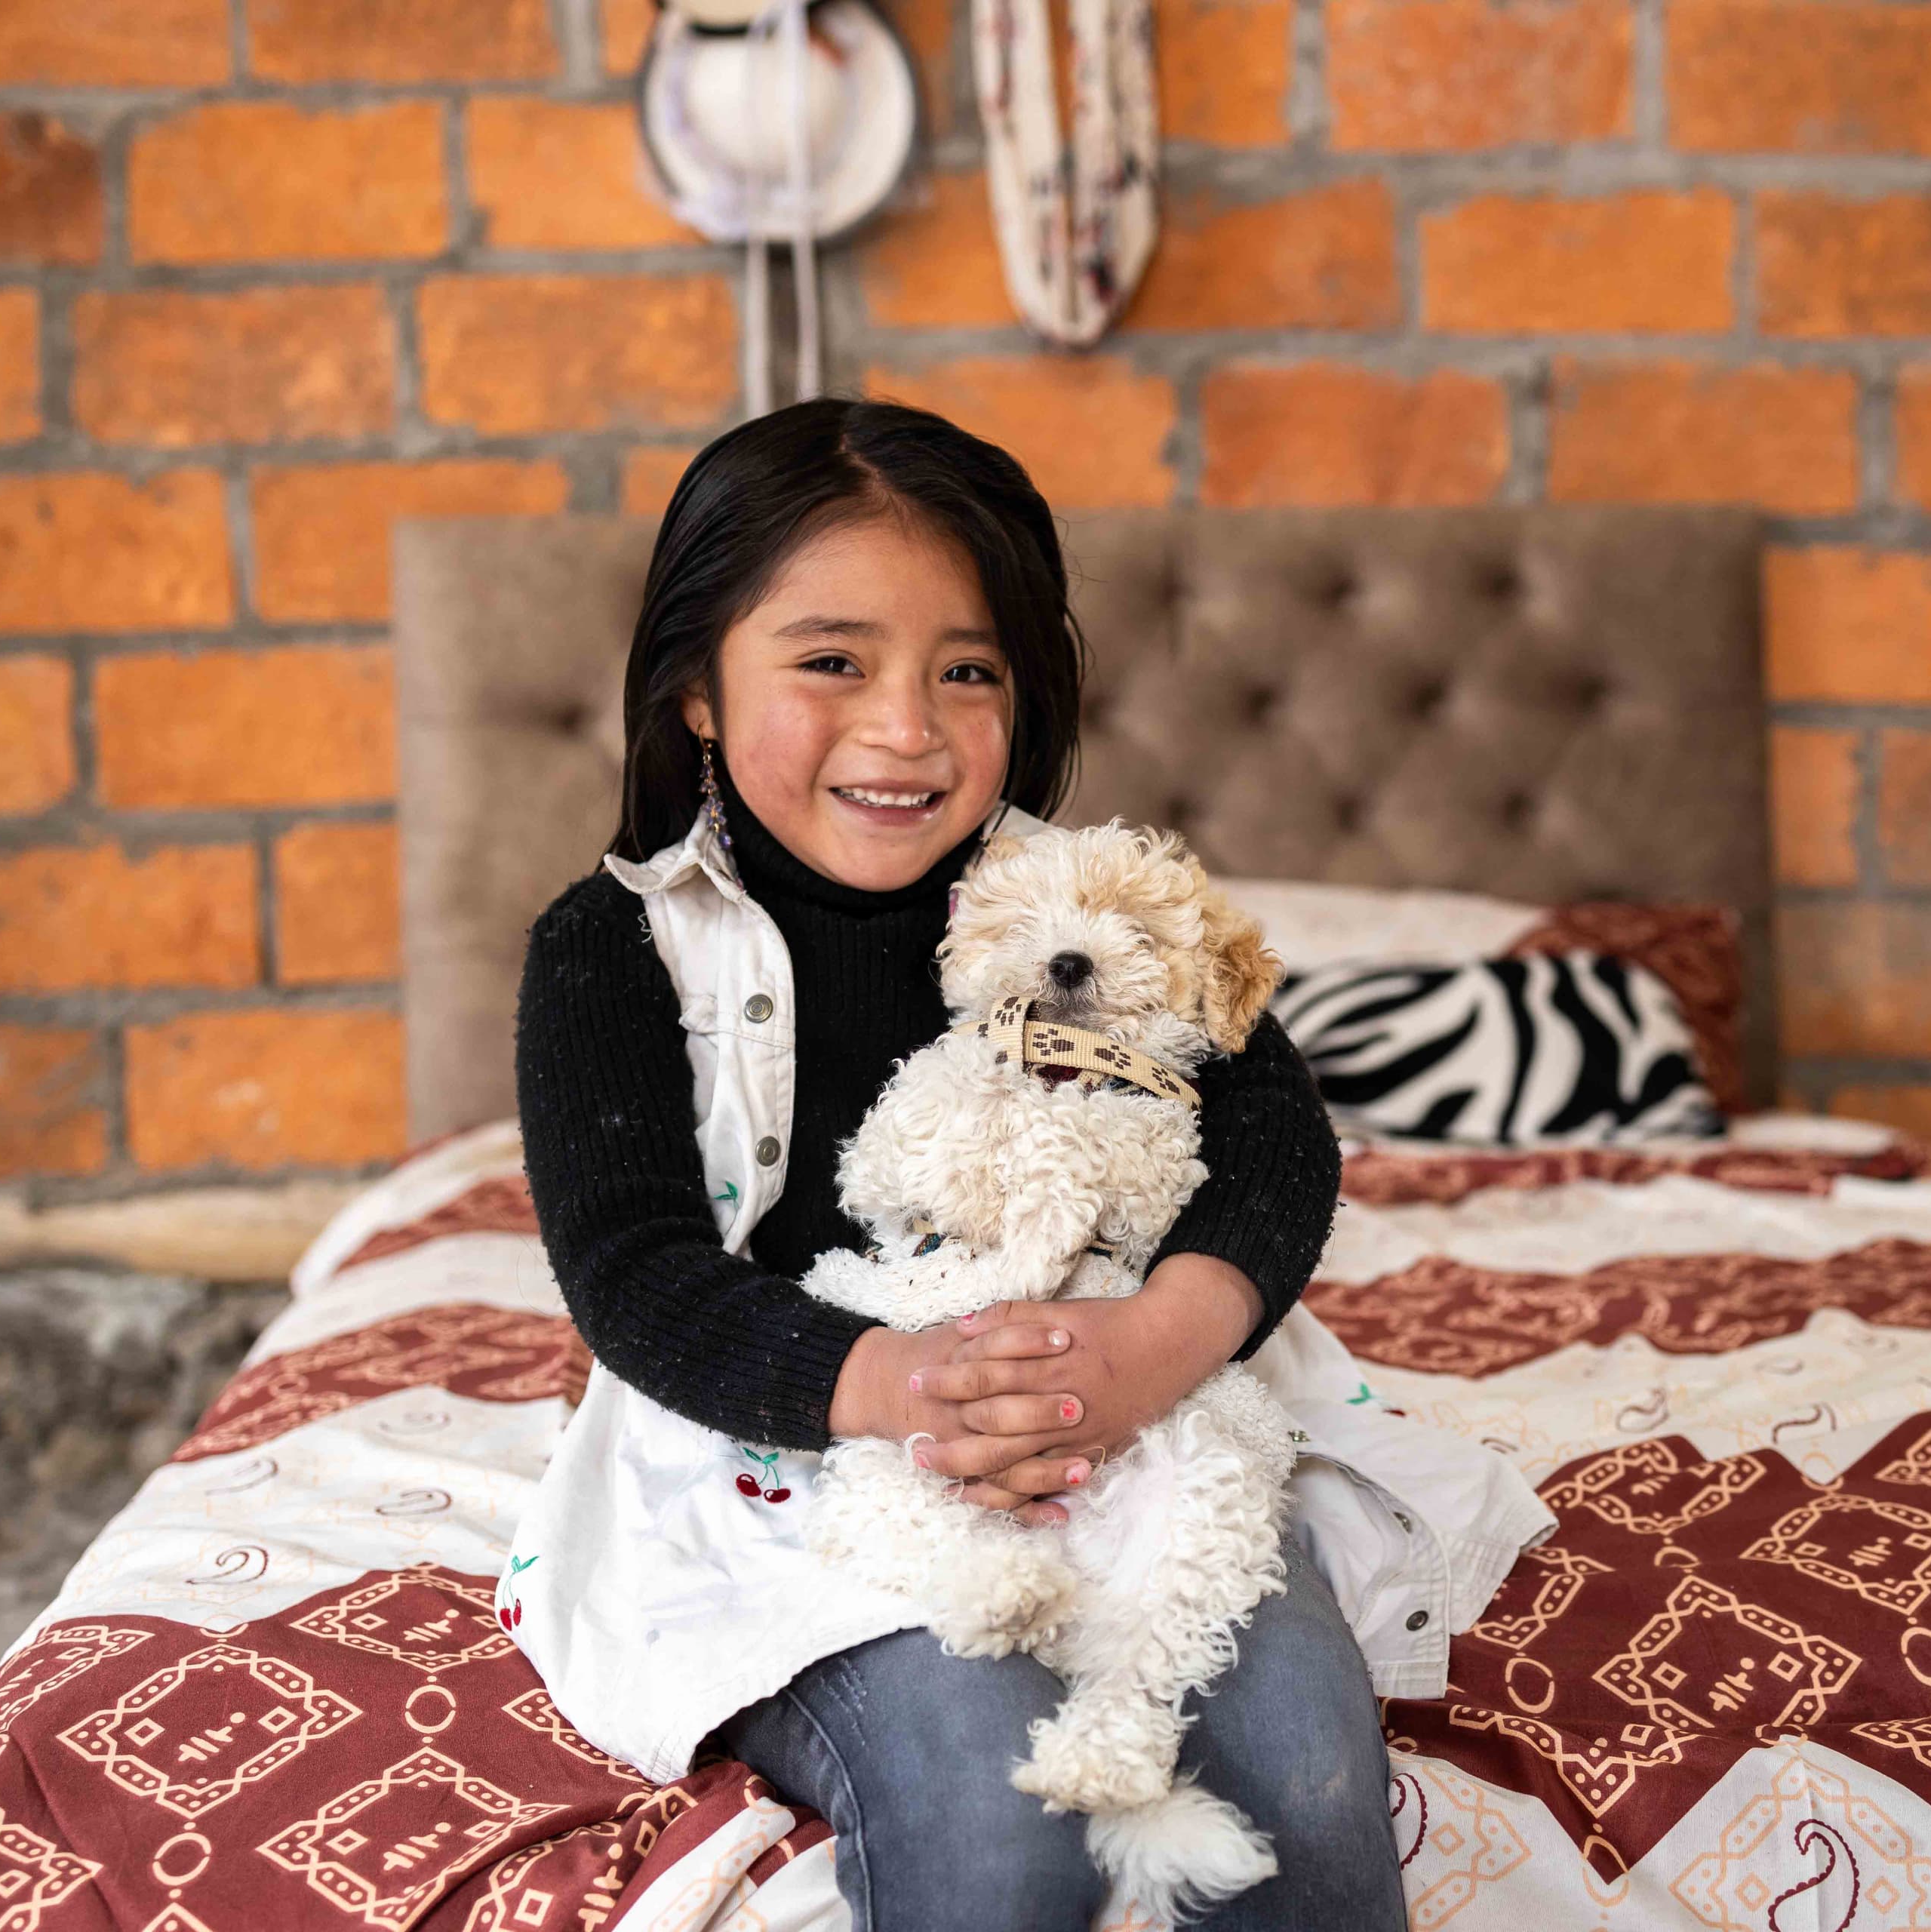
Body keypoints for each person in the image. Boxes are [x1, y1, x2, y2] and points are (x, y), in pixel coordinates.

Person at [510, 396, 1409, 1929]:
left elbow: (1274, 1143)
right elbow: (634, 1270)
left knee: (1311, 1770)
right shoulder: (616, 947)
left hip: (1141, 1409)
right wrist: (915, 1391)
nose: (908, 726)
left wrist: (1141, 1350)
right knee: (1000, 1825)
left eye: (967, 670)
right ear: (700, 690)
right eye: (832, 660)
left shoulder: (1079, 905)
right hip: (801, 1454)